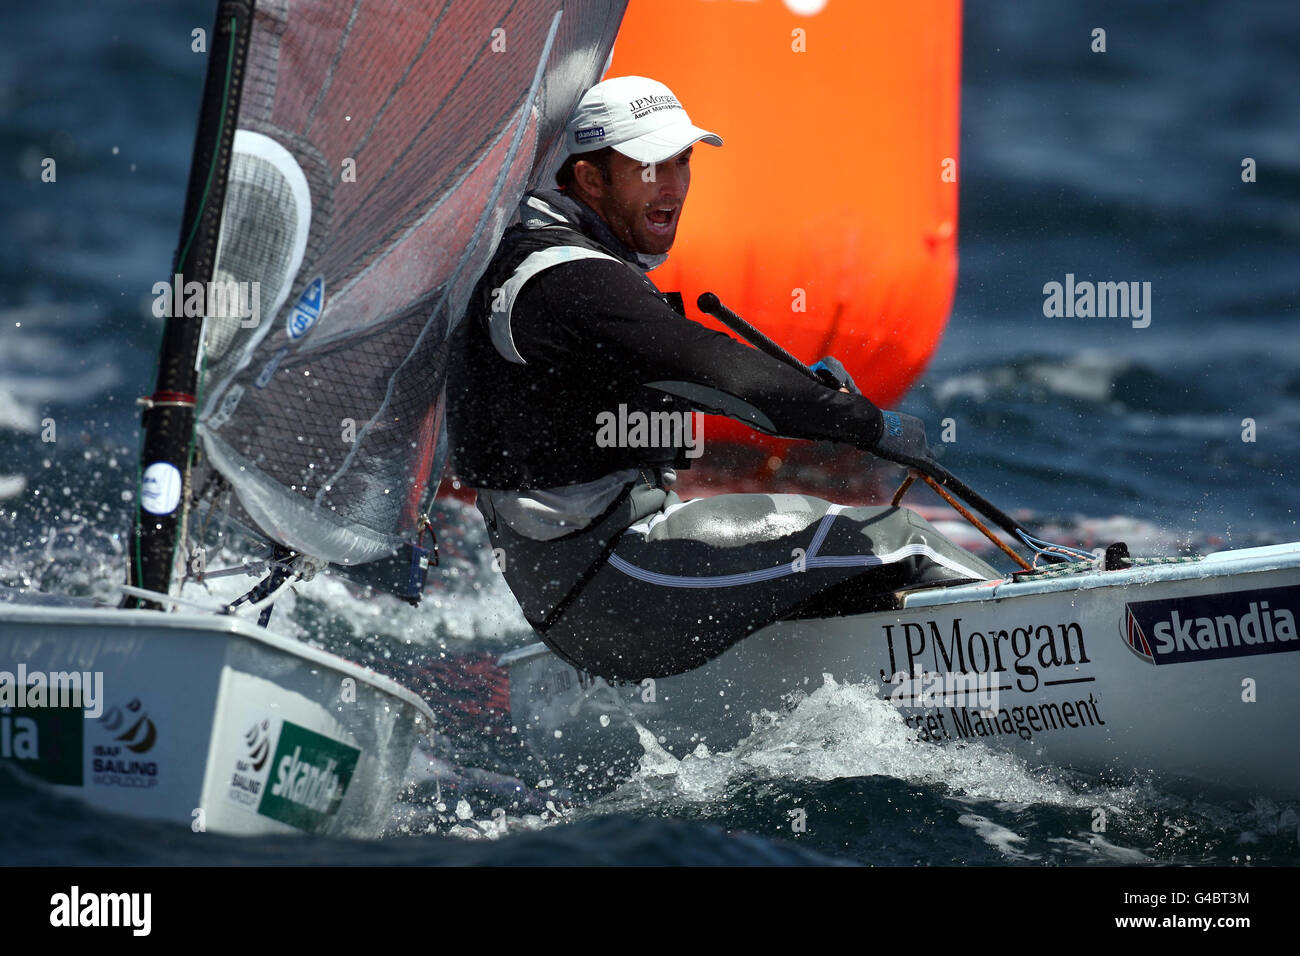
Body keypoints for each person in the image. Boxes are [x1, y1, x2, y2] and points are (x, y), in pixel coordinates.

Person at [447, 76, 999, 681]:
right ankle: (1052, 622)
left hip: (584, 594)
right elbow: (717, 371)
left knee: (853, 581)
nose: (674, 186)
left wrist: (806, 396)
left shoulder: (547, 255)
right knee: (896, 538)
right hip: (617, 581)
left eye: (681, 162)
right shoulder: (567, 280)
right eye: (649, 166)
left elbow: (682, 372)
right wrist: (864, 421)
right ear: (590, 179)